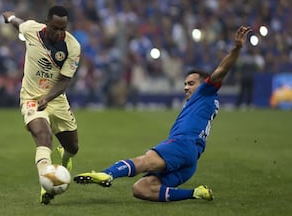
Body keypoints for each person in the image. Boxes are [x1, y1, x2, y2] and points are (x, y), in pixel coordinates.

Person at [74, 26, 251, 202]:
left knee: (145, 160)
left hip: (182, 144)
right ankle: (197, 193)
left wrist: (236, 48)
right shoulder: (204, 101)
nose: (185, 87)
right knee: (142, 189)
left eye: (190, 83)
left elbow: (222, 69)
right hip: (191, 160)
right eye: (185, 84)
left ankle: (107, 174)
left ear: (204, 83)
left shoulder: (206, 91)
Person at [2, 5, 81, 205]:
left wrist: (48, 97)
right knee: (43, 136)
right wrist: (10, 17)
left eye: (63, 28)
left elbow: (64, 80)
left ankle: (65, 159)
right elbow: (18, 24)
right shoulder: (32, 29)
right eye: (55, 28)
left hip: (56, 99)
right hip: (30, 98)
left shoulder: (72, 47)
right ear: (46, 23)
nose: (59, 33)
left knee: (73, 146)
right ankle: (47, 183)